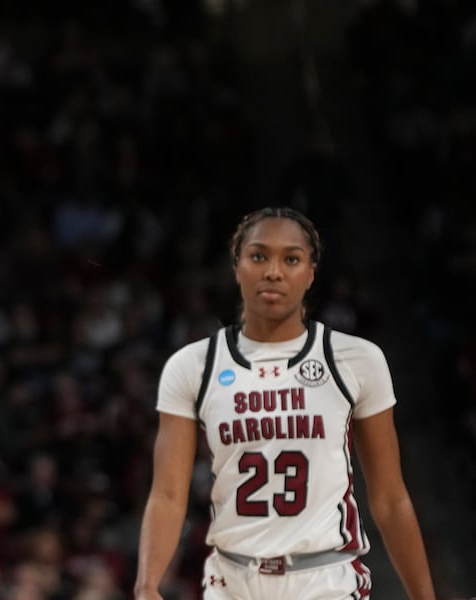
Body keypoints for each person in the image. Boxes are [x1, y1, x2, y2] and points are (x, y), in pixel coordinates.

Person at [134, 207, 435, 599]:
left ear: (310, 273)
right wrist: (147, 585)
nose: (273, 272)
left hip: (324, 579)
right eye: (258, 256)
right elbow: (168, 495)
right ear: (237, 266)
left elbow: (390, 499)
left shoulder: (356, 359)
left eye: (291, 259)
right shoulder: (192, 365)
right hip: (231, 579)